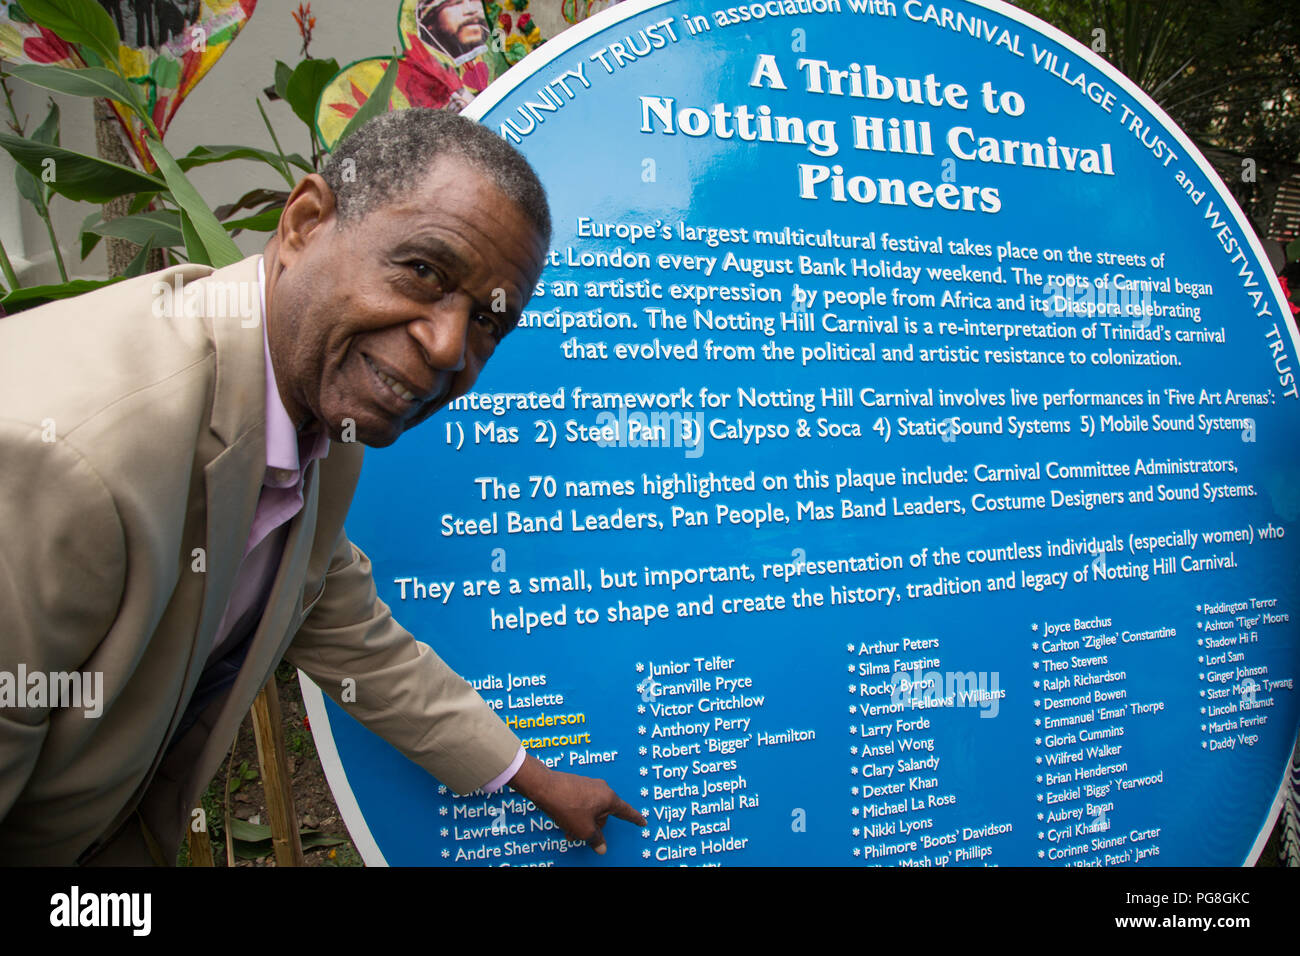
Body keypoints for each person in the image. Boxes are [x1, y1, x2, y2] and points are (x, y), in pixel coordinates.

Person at [0, 107, 644, 865]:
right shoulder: (66, 460)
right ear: (305, 221)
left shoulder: (314, 415)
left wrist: (532, 778)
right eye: (425, 271)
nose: (446, 347)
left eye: (487, 325)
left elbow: (349, 633)